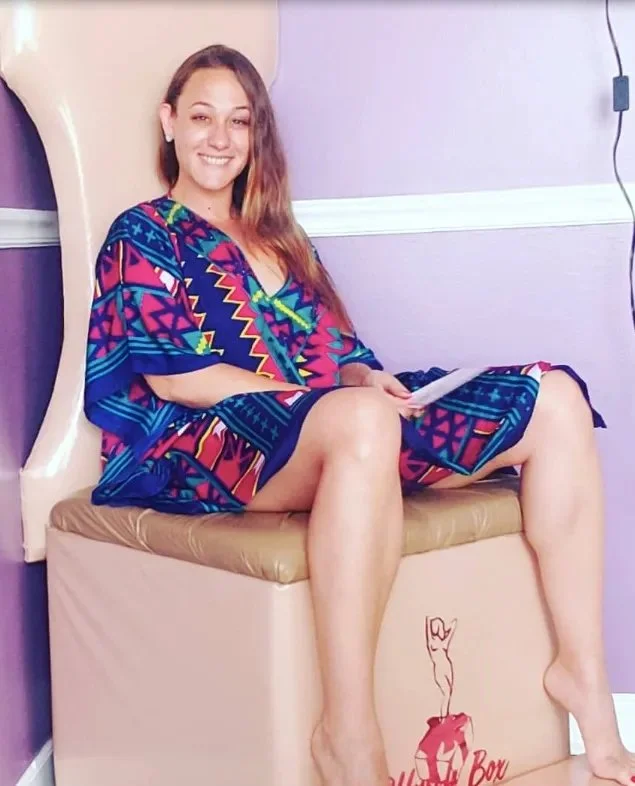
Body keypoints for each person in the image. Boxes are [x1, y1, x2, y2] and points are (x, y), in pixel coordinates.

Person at [84, 44, 634, 786]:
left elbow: (336, 350)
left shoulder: (281, 236)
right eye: (202, 118)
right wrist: (319, 402)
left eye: (239, 122)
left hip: (331, 424)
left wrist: (361, 375)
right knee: (359, 422)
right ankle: (347, 733)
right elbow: (175, 377)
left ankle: (584, 682)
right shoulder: (144, 232)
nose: (220, 138)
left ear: (256, 135)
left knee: (554, 398)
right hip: (199, 441)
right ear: (169, 122)